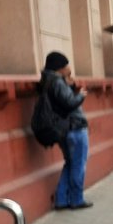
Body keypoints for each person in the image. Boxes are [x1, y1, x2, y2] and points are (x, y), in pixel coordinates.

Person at [39, 51, 92, 210]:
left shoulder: (49, 81)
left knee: (70, 163)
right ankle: (76, 199)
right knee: (78, 165)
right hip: (74, 128)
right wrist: (81, 95)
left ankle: (61, 200)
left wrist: (69, 83)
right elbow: (69, 103)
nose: (68, 68)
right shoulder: (57, 82)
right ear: (59, 68)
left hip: (64, 129)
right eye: (65, 65)